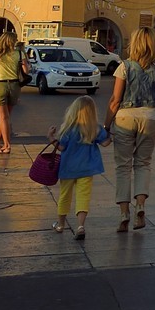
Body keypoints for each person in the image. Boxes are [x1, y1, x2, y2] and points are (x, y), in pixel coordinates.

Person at [109, 28, 155, 233]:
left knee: (123, 166)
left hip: (125, 117)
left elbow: (115, 100)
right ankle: (140, 206)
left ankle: (123, 212)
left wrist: (106, 125)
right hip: (152, 116)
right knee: (143, 163)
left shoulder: (125, 66)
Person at [48, 95, 111, 239]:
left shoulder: (68, 129)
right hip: (87, 169)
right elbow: (106, 143)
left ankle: (60, 224)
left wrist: (51, 137)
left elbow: (62, 147)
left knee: (65, 196)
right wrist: (111, 135)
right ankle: (81, 226)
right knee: (83, 196)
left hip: (68, 169)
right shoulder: (95, 129)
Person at [0, 33, 22, 153]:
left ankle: (4, 145)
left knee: (3, 118)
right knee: (5, 117)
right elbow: (25, 70)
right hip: (14, 85)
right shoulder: (18, 53)